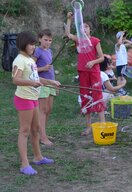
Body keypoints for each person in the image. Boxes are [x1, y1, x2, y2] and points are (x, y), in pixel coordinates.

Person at [12, 31, 60, 175]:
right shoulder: (19, 60)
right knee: (25, 131)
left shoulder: (31, 61)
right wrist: (32, 83)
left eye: (34, 44)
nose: (34, 47)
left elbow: (37, 78)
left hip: (33, 98)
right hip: (24, 99)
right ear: (23, 45)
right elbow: (15, 80)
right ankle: (24, 164)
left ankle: (38, 157)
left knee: (36, 129)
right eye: (31, 44)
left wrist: (51, 81)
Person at [65, 12, 105, 136]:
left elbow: (102, 58)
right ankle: (88, 127)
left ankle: (102, 125)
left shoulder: (95, 41)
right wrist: (69, 19)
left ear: (90, 29)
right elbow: (67, 34)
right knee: (85, 98)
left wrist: (93, 62)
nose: (84, 28)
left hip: (94, 72)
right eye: (81, 27)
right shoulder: (79, 40)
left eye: (86, 26)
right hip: (83, 72)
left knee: (97, 96)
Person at [32, 29, 57, 146]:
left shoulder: (49, 51)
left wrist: (54, 82)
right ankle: (42, 137)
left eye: (50, 40)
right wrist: (43, 69)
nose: (48, 42)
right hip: (42, 83)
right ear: (39, 39)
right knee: (42, 110)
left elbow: (50, 69)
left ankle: (43, 132)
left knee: (49, 109)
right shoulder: (37, 51)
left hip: (51, 83)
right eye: (45, 40)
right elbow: (31, 68)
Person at [115, 31, 132, 95]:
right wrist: (121, 35)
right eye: (122, 37)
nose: (123, 38)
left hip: (124, 63)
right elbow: (119, 42)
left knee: (122, 77)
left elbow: (130, 43)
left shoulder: (122, 45)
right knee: (120, 77)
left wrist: (125, 40)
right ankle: (119, 90)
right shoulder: (117, 45)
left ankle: (121, 89)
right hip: (120, 64)